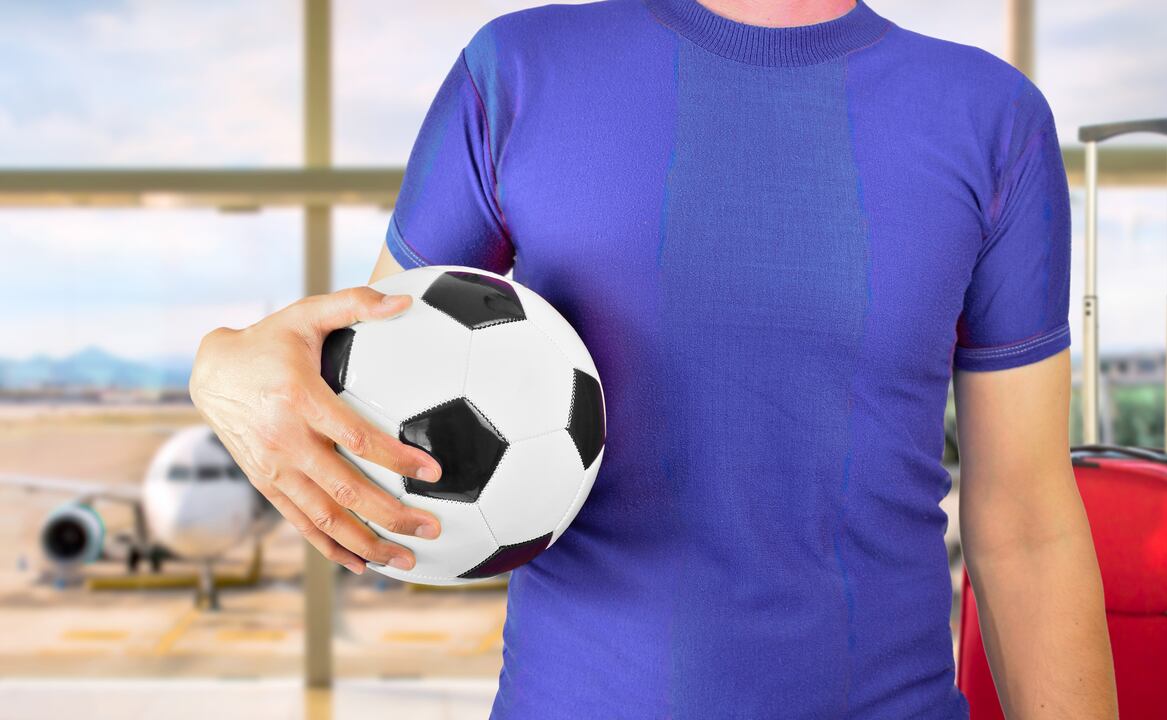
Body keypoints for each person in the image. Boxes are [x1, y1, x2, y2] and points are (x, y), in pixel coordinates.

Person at [190, 0, 1118, 716]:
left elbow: (1027, 521)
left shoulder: (992, 119)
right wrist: (220, 365)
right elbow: (371, 388)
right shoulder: (515, 75)